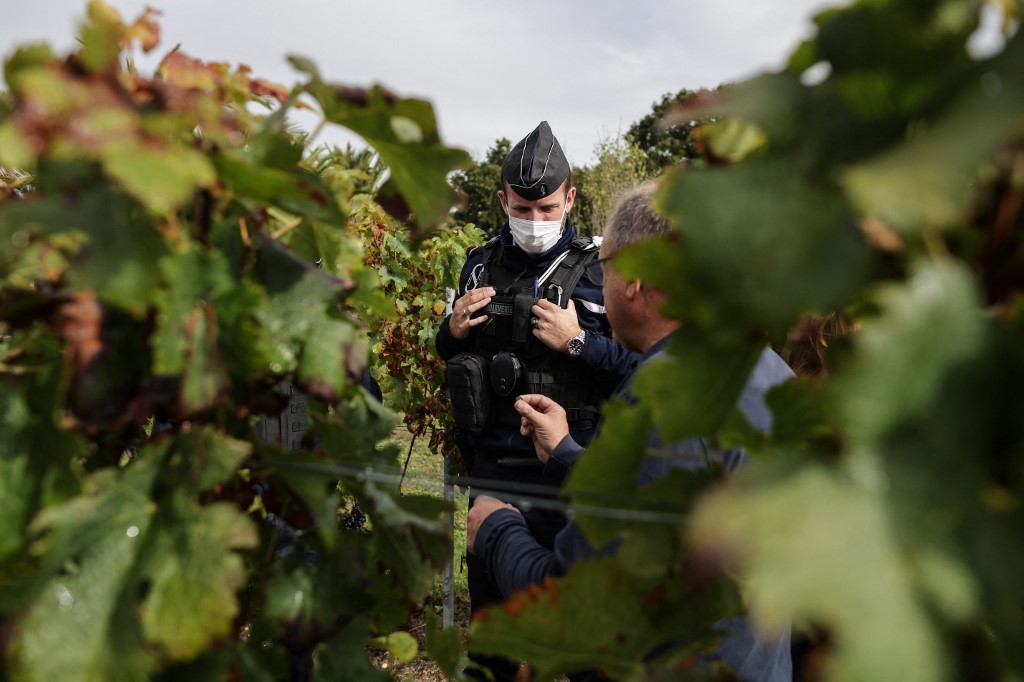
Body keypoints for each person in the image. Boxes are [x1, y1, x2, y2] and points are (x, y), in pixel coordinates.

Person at [467, 180, 794, 682]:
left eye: (606, 268)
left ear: (634, 280)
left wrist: (495, 532)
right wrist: (567, 453)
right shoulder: (765, 370)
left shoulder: (662, 401)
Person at [436, 121, 638, 681]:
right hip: (493, 473)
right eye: (523, 208)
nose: (535, 221)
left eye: (548, 208)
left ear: (571, 198)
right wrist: (450, 329)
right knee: (493, 639)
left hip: (570, 474)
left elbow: (637, 374)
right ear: (502, 200)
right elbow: (446, 351)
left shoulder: (601, 271)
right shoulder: (477, 265)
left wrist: (577, 342)